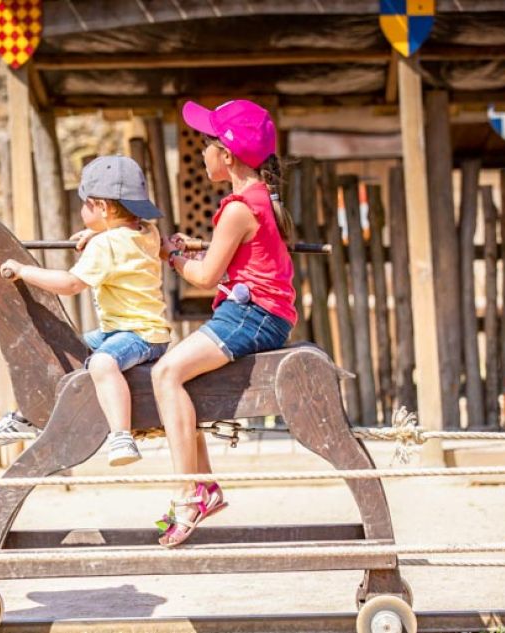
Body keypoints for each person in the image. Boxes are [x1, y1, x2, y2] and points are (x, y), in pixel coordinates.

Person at [152, 100, 296, 547]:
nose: (201, 153)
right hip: (257, 311)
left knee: (166, 372)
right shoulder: (255, 199)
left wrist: (171, 254)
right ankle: (206, 487)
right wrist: (189, 253)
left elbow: (203, 277)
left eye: (205, 144)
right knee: (182, 380)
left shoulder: (238, 208)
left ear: (227, 157)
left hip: (254, 315)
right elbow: (229, 263)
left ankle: (187, 492)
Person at [0, 155, 171, 466]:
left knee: (102, 363)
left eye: (86, 204)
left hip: (139, 335)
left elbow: (70, 283)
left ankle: (121, 436)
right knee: (65, 348)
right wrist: (98, 232)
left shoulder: (106, 247)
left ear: (101, 208)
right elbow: (127, 232)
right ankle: (29, 414)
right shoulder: (148, 232)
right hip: (136, 330)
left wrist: (23, 271)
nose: (82, 211)